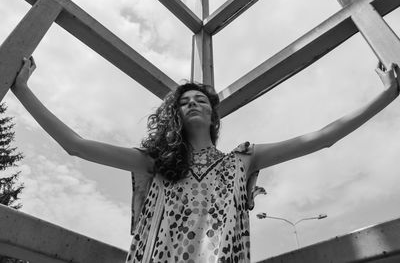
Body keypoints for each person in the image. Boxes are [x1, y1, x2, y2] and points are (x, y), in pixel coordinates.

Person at [11, 57, 400, 262]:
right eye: (184, 101)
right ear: (175, 115)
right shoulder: (154, 162)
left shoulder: (244, 160)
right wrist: (23, 89)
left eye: (201, 100)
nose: (193, 103)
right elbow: (76, 145)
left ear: (214, 117)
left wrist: (386, 95)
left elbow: (323, 138)